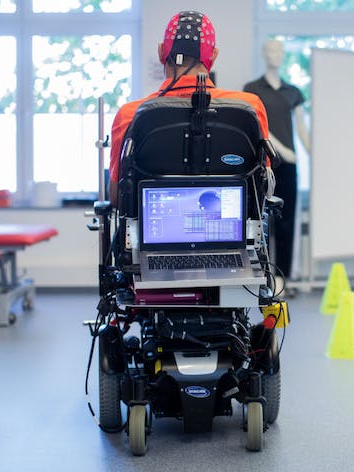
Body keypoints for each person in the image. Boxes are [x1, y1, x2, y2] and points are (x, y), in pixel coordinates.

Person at [108, 10, 270, 206]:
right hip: (235, 235)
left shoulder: (130, 114)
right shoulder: (250, 107)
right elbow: (264, 187)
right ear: (214, 56)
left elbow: (118, 198)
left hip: (147, 234)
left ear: (161, 52)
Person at [243, 39, 310, 292]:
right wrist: (282, 151)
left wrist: (317, 153)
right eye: (270, 50)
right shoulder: (252, 89)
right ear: (263, 53)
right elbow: (258, 127)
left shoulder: (293, 92)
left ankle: (284, 276)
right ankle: (263, 274)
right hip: (265, 165)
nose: (275, 55)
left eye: (279, 51)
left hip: (289, 167)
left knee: (286, 221)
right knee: (261, 221)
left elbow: (302, 130)